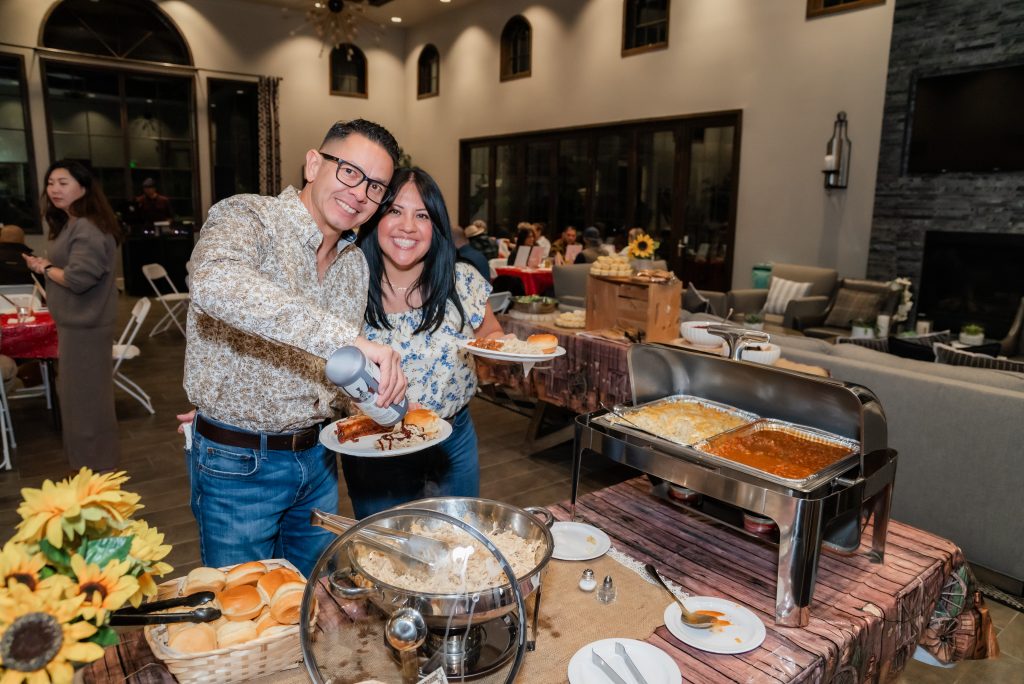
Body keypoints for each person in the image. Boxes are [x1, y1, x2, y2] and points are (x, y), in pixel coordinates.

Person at [179, 119, 408, 577]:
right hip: (238, 465)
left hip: (319, 460)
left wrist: (378, 402)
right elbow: (215, 282)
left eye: (376, 186)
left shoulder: (354, 265)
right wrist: (349, 341)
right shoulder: (249, 216)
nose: (360, 193)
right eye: (349, 172)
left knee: (311, 600)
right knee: (247, 613)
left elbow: (331, 367)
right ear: (312, 164)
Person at [345, 167, 503, 517]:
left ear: (437, 226)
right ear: (374, 218)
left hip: (453, 438)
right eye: (395, 212)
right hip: (378, 442)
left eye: (422, 215)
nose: (408, 227)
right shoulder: (347, 285)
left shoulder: (462, 281)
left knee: (458, 543)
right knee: (388, 554)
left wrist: (507, 350)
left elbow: (491, 337)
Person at [23, 160, 122, 471]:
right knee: (81, 404)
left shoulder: (87, 226)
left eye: (63, 182)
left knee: (86, 406)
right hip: (77, 327)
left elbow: (79, 280)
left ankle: (95, 474)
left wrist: (46, 268)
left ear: (83, 186)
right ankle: (89, 471)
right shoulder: (74, 222)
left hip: (85, 330)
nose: (54, 189)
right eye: (51, 182)